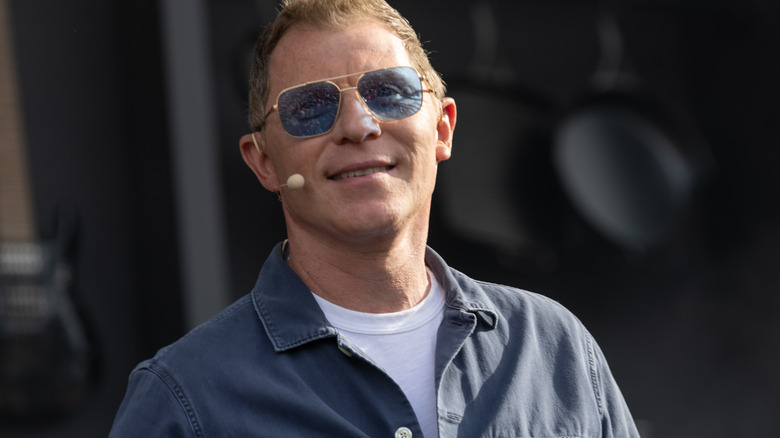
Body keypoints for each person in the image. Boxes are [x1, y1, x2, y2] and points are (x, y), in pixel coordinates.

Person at [109, 0, 640, 436]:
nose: (359, 125)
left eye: (388, 92)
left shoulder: (554, 349)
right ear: (265, 163)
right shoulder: (185, 398)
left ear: (442, 129)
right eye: (310, 107)